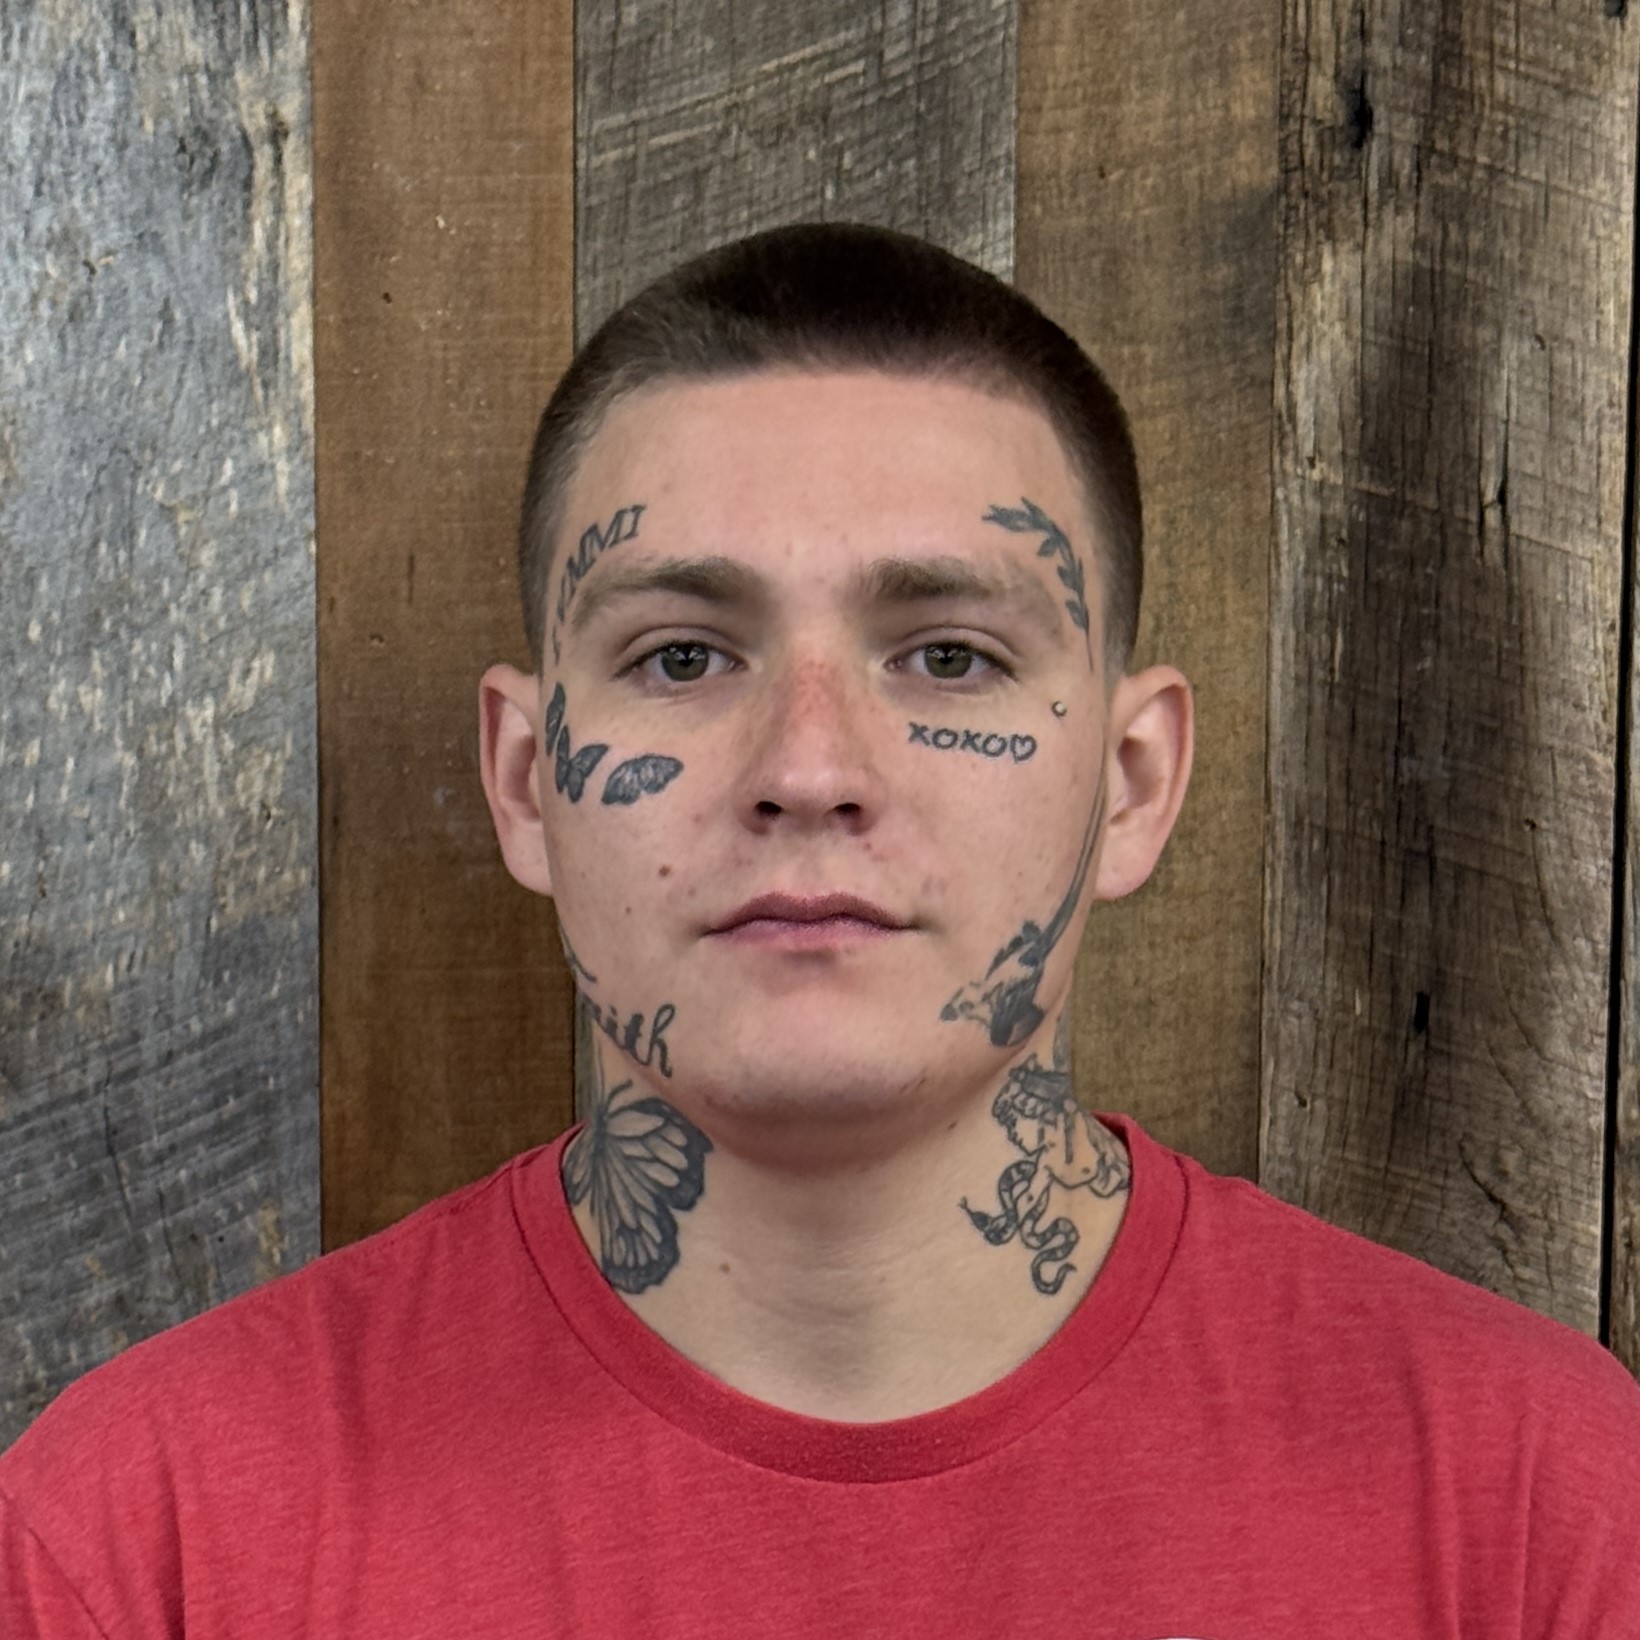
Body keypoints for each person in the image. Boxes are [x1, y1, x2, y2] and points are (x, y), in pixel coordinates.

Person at [3, 223, 1638, 1639]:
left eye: (949, 657)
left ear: (1133, 784)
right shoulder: (143, 1540)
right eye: (682, 656)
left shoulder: (1540, 1510)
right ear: (526, 781)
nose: (807, 768)